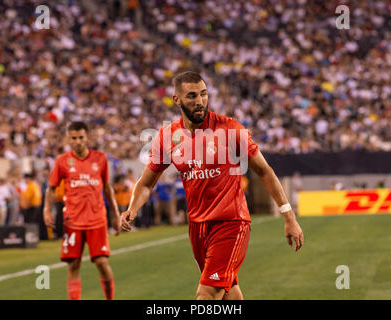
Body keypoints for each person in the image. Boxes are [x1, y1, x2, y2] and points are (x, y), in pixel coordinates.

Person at [120, 71, 304, 300]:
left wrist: (288, 216)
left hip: (231, 223)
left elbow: (265, 171)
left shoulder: (230, 129)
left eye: (204, 94)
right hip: (197, 227)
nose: (199, 101)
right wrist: (132, 208)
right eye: (191, 96)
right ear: (176, 99)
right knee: (229, 296)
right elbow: (146, 183)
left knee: (206, 295)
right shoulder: (167, 137)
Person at [43, 121, 121, 300]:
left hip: (97, 219)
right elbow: (51, 188)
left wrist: (115, 215)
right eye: (74, 138)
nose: (78, 141)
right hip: (73, 221)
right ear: (68, 139)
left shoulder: (100, 159)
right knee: (73, 264)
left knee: (101, 262)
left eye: (81, 137)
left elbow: (107, 188)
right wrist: (46, 210)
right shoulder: (62, 161)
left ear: (87, 138)